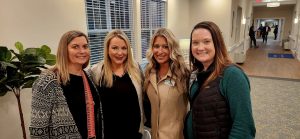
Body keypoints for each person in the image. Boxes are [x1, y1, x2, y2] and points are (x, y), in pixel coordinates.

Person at [184, 21, 256, 139]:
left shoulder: (233, 75)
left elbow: (243, 128)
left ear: (217, 43)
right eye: (195, 43)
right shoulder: (196, 74)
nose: (200, 47)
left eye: (206, 41)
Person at [29, 30, 104, 139]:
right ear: (64, 50)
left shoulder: (88, 76)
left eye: (85, 46)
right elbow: (38, 129)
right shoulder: (47, 81)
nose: (82, 51)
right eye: (75, 47)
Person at [89, 29, 144, 139]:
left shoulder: (136, 68)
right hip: (109, 133)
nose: (120, 53)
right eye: (115, 48)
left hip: (134, 133)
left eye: (124, 48)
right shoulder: (97, 71)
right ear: (107, 49)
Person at [143, 28, 190, 139]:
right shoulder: (149, 72)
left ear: (172, 48)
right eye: (156, 46)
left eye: (165, 47)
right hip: (154, 135)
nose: (160, 51)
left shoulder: (183, 73)